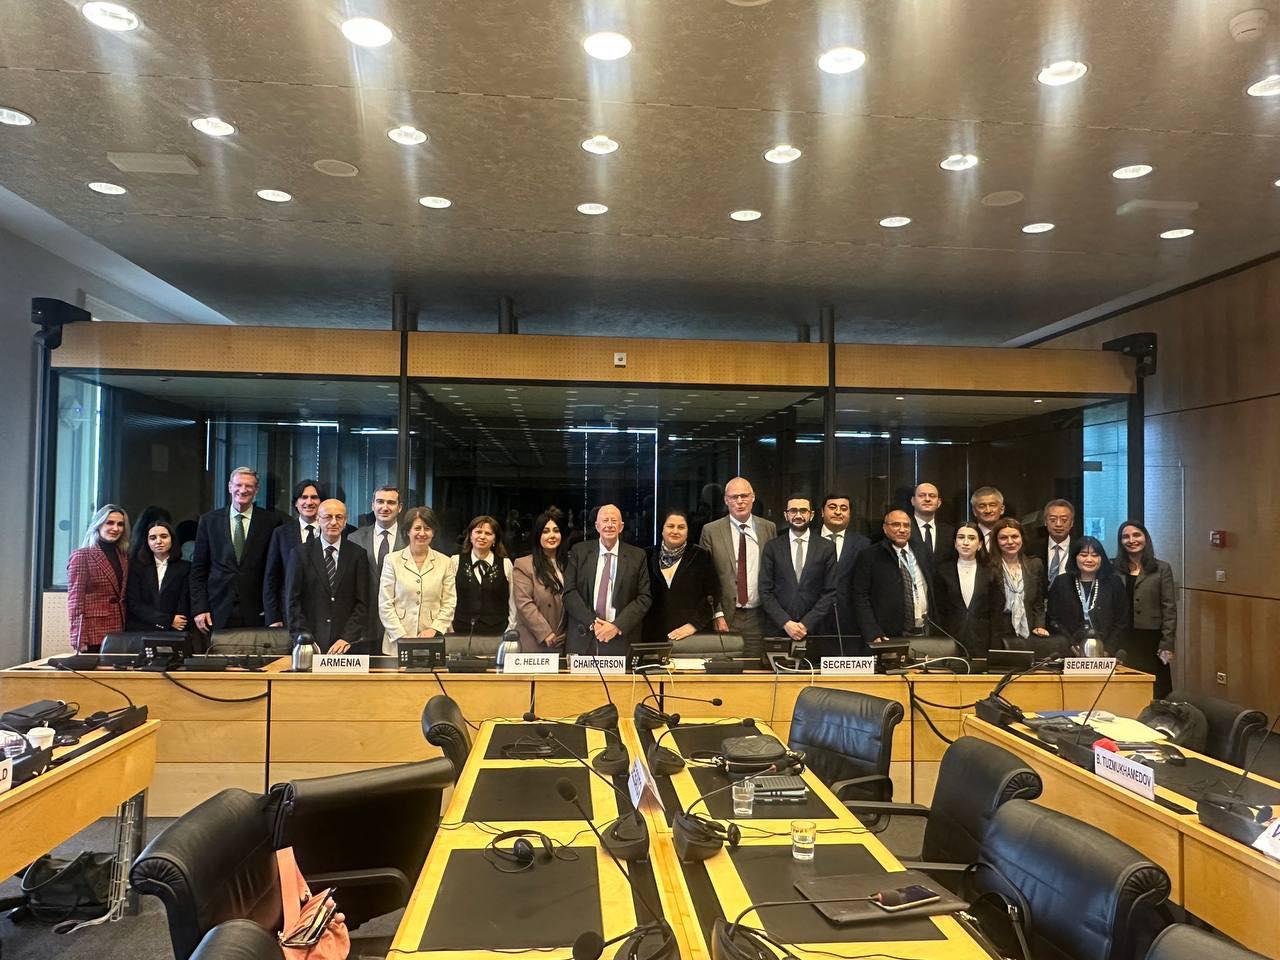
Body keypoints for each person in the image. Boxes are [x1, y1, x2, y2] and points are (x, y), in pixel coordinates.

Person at [191, 466, 285, 632]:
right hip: (217, 608)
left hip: (257, 610)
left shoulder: (271, 522)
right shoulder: (209, 521)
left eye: (249, 486)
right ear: (230, 487)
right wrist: (200, 608)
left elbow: (276, 571)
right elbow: (198, 569)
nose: (242, 490)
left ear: (256, 490)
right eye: (238, 485)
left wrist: (274, 614)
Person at [698, 476, 777, 658]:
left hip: (758, 616)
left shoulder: (768, 528)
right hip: (725, 615)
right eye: (734, 497)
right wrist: (717, 614)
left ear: (753, 497)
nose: (740, 501)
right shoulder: (711, 531)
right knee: (725, 669)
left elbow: (774, 572)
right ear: (726, 500)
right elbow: (705, 577)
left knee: (754, 668)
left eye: (744, 496)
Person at [562, 504, 651, 655]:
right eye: (605, 520)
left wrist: (617, 626)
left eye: (614, 521)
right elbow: (569, 593)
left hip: (621, 639)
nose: (609, 525)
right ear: (597, 526)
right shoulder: (579, 552)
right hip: (584, 637)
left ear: (621, 527)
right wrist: (593, 623)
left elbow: (644, 597)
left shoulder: (637, 556)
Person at [287, 499, 370, 654]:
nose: (333, 522)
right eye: (327, 517)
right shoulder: (300, 554)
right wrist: (305, 639)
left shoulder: (358, 554)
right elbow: (293, 601)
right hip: (309, 643)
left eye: (339, 517)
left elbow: (362, 603)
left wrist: (347, 638)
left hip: (346, 645)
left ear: (345, 521)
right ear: (318, 519)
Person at [760, 496, 837, 653]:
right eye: (793, 511)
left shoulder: (826, 547)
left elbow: (830, 592)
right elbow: (765, 591)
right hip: (778, 630)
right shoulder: (772, 547)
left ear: (812, 515)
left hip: (815, 630)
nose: (798, 515)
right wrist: (786, 623)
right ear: (786, 515)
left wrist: (806, 624)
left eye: (803, 510)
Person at [379, 506, 456, 654]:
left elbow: (449, 603)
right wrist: (401, 635)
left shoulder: (445, 562)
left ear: (433, 532)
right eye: (417, 528)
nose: (422, 533)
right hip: (397, 642)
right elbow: (385, 603)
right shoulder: (392, 560)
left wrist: (434, 629)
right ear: (408, 531)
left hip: (433, 639)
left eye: (427, 528)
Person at [852, 509, 935, 646]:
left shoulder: (923, 552)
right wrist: (872, 631)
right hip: (888, 635)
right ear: (885, 528)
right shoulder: (870, 555)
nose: (902, 530)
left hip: (925, 632)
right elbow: (860, 597)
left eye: (906, 525)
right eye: (896, 525)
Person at [1118, 521, 1178, 697]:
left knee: (1156, 689)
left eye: (1136, 535)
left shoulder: (1162, 568)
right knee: (1125, 690)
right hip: (1123, 638)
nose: (1131, 540)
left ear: (1145, 538)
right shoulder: (1114, 569)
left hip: (1151, 639)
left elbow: (1169, 608)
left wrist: (1167, 644)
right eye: (1125, 537)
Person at [644, 508, 719, 645]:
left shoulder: (701, 556)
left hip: (691, 636)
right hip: (652, 635)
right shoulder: (646, 556)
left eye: (681, 527)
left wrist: (694, 625)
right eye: (670, 526)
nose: (675, 531)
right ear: (662, 530)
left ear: (688, 531)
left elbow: (712, 595)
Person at [1047, 536, 1127, 656]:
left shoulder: (1114, 582)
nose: (1089, 559)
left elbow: (1122, 620)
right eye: (1083, 555)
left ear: (1101, 558)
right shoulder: (1061, 582)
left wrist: (1107, 649)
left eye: (1095, 555)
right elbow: (1053, 619)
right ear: (1075, 557)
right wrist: (1070, 644)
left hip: (1106, 652)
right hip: (1069, 651)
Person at [66, 505, 130, 652]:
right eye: (110, 523)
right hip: (94, 632)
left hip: (120, 630)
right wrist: (78, 638)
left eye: (120, 524)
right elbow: (75, 601)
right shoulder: (82, 555)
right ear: (98, 524)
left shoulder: (124, 556)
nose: (115, 528)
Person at [349, 486, 407, 648]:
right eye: (380, 502)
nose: (385, 507)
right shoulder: (355, 538)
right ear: (372, 505)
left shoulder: (409, 539)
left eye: (391, 503)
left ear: (400, 507)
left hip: (401, 623)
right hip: (363, 625)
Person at [264, 479, 325, 627]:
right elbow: (271, 578)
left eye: (314, 497)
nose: (309, 502)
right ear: (296, 503)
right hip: (290, 614)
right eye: (303, 497)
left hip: (325, 614)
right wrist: (273, 617)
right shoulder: (281, 533)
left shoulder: (334, 532)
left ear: (322, 502)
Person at [816, 493, 870, 651]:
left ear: (850, 514)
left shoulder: (863, 544)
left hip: (849, 620)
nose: (838, 512)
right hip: (812, 619)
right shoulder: (808, 539)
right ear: (822, 512)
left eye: (844, 508)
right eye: (832, 507)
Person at [933, 522, 994, 658]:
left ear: (980, 544)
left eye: (971, 538)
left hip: (982, 641)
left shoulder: (991, 572)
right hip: (950, 640)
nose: (965, 542)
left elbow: (995, 612)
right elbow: (938, 611)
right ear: (955, 543)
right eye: (961, 537)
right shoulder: (942, 571)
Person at [989, 517, 1050, 650]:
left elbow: (1038, 602)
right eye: (1003, 538)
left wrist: (1040, 625)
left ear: (1022, 538)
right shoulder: (988, 567)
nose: (1010, 542)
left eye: (1015, 536)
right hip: (997, 629)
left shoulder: (1035, 565)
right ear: (996, 541)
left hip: (1028, 627)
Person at [512, 508, 567, 652]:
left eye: (556, 531)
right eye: (545, 531)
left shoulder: (570, 564)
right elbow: (524, 604)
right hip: (535, 641)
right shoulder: (524, 565)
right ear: (538, 535)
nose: (552, 535)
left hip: (564, 641)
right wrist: (545, 632)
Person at [452, 515, 516, 636]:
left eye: (488, 533)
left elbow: (513, 600)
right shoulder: (455, 561)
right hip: (460, 632)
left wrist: (510, 629)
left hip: (497, 632)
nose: (482, 536)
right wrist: (450, 628)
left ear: (494, 539)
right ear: (470, 536)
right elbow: (449, 599)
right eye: (478, 532)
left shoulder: (506, 564)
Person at [126, 520, 191, 633]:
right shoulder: (136, 567)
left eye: (164, 536)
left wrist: (173, 623)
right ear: (147, 542)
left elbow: (184, 602)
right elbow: (133, 603)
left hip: (175, 631)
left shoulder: (186, 567)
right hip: (141, 629)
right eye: (153, 538)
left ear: (172, 539)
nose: (159, 541)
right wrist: (167, 620)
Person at [1030, 498, 1076, 588]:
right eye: (1053, 520)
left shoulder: (1079, 549)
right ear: (1045, 522)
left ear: (1071, 523)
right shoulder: (1032, 549)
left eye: (1064, 520)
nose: (1058, 524)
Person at [909, 482, 955, 567]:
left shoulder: (950, 532)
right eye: (922, 495)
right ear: (913, 501)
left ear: (939, 502)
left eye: (932, 496)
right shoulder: (904, 529)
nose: (927, 499)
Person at [970, 486, 1006, 551]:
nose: (988, 510)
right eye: (982, 506)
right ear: (974, 511)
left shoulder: (1012, 536)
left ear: (1002, 509)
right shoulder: (966, 536)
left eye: (992, 505)